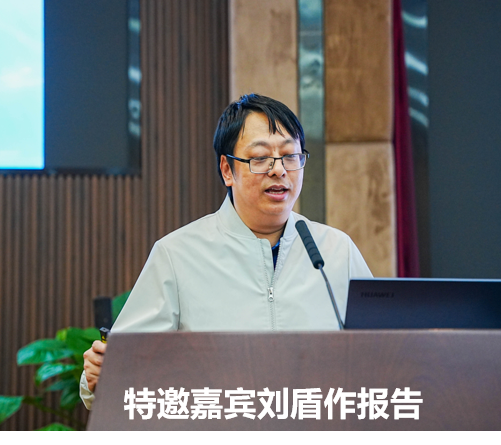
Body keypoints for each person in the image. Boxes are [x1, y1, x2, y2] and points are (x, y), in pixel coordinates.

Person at [80, 94, 374, 407]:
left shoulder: (336, 251)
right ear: (227, 170)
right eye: (260, 158)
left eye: (290, 155)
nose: (279, 170)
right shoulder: (177, 255)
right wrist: (100, 375)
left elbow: (385, 355)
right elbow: (119, 369)